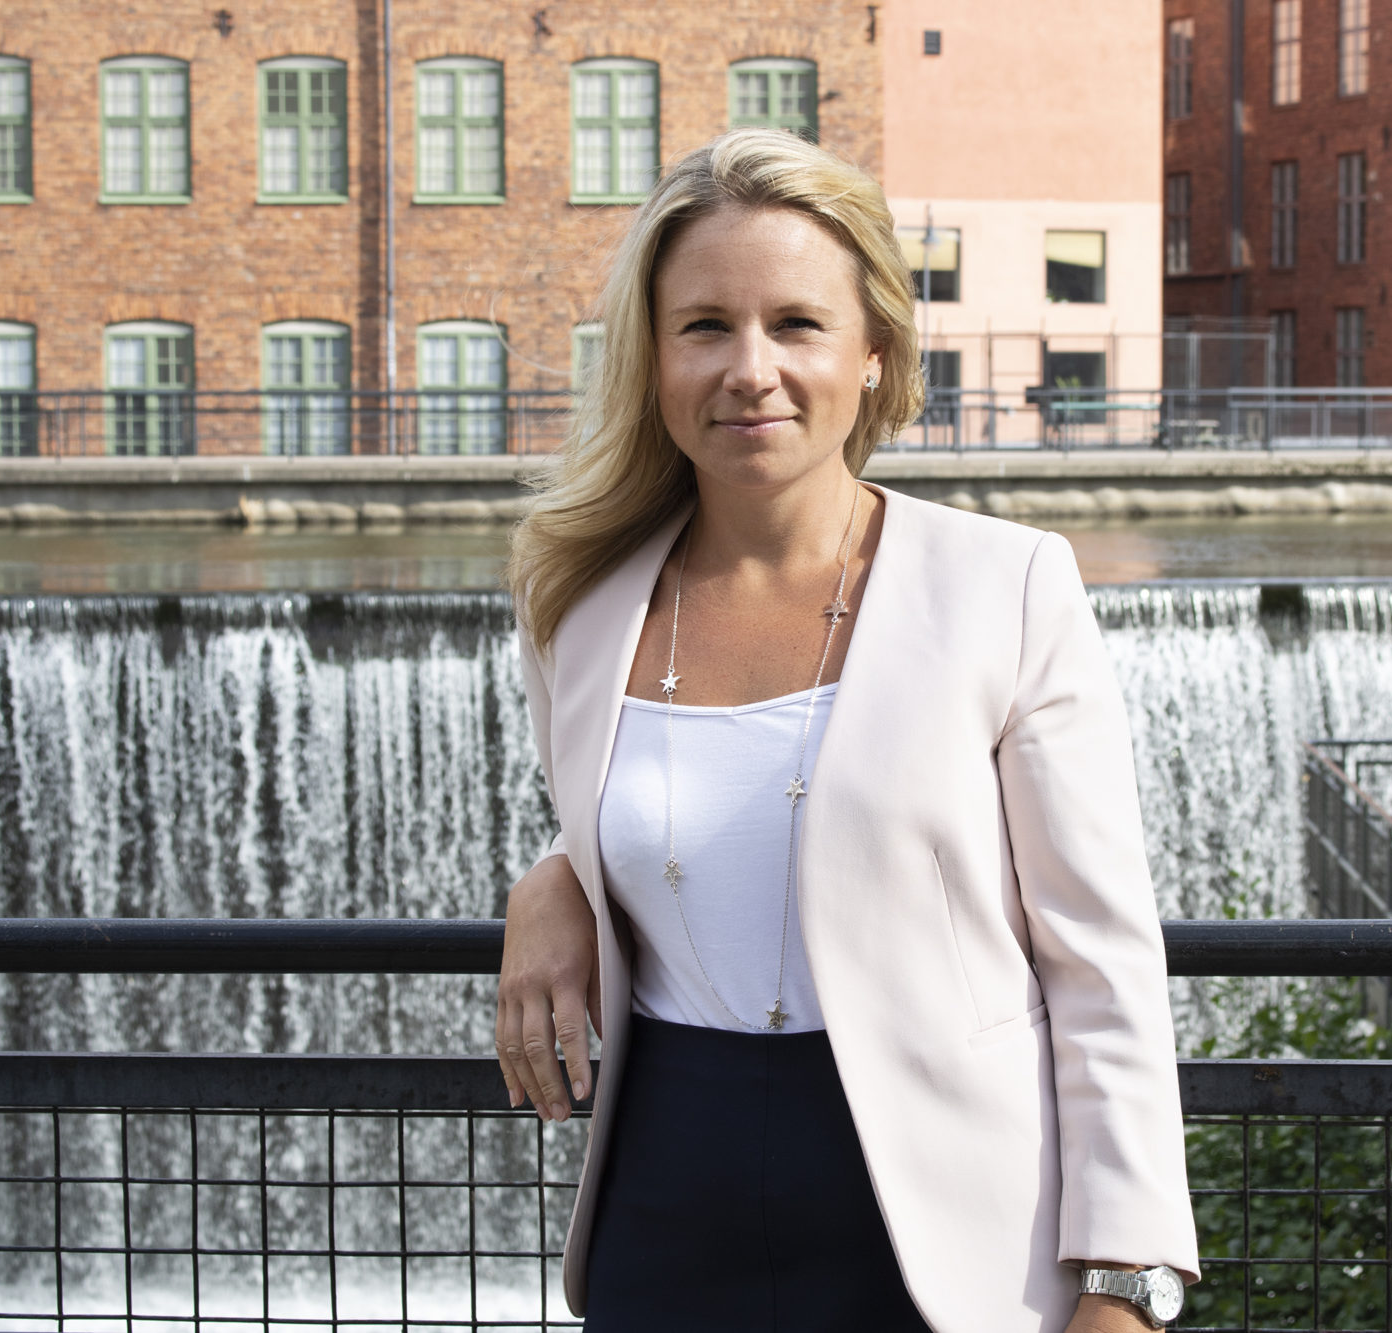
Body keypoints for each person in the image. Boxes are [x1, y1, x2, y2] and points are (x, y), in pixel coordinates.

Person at [498, 128, 1198, 1333]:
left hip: (948, 1237)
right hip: (665, 1210)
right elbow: (672, 819)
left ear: (873, 350)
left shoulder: (1004, 584)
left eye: (796, 324)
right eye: (704, 325)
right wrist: (554, 876)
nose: (749, 369)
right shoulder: (579, 601)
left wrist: (1124, 1280)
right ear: (652, 358)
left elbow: (1100, 960)